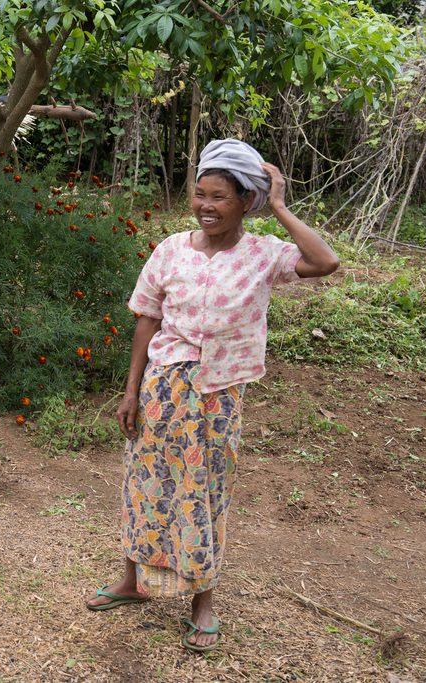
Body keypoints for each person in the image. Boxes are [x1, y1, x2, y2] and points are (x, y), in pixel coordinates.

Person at [84, 139, 340, 653]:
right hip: (163, 388)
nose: (206, 205)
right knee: (144, 482)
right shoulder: (171, 249)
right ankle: (133, 580)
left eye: (219, 196)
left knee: (205, 492)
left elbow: (325, 261)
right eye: (200, 194)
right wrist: (131, 390)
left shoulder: (265, 255)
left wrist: (282, 208)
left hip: (219, 396)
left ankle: (203, 602)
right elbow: (147, 319)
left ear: (247, 200)